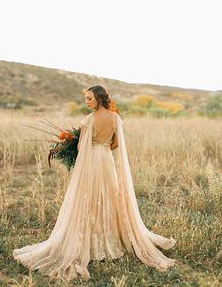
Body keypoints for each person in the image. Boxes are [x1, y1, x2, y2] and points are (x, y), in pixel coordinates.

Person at [13, 85, 176, 282]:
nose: (87, 102)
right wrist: (103, 144)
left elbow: (82, 146)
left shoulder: (89, 119)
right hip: (106, 159)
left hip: (91, 160)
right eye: (86, 99)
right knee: (108, 196)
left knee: (88, 197)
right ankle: (111, 239)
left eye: (89, 99)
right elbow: (116, 144)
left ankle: (90, 241)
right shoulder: (115, 117)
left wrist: (76, 146)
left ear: (98, 98)